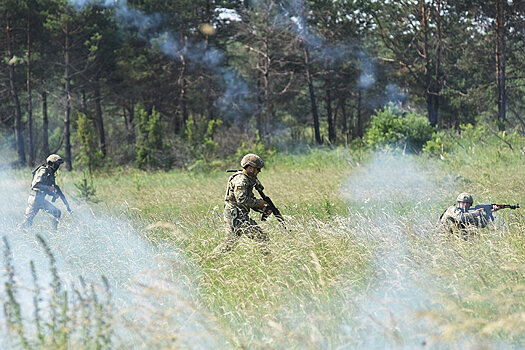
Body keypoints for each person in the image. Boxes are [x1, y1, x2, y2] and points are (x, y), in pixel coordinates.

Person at [213, 153, 271, 256]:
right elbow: (242, 200)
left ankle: (207, 261)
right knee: (262, 237)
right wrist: (259, 203)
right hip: (236, 216)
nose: (259, 171)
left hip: (237, 215)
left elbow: (249, 200)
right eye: (257, 169)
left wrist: (262, 209)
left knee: (229, 245)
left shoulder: (248, 180)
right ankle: (269, 260)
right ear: (250, 168)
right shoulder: (241, 180)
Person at [20, 154, 68, 230]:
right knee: (28, 222)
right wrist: (49, 187)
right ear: (50, 163)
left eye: (58, 165)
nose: (57, 167)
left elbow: (44, 188)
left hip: (39, 199)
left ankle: (54, 232)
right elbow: (35, 185)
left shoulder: (50, 172)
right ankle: (54, 232)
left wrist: (53, 194)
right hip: (35, 199)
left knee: (28, 222)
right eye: (56, 164)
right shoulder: (43, 171)